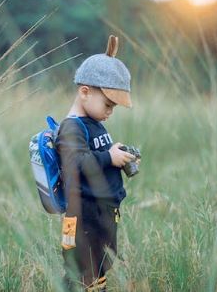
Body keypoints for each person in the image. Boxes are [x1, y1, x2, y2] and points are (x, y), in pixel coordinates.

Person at [55, 35, 139, 291]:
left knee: (99, 263)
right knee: (81, 269)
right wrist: (108, 157)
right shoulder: (71, 127)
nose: (110, 111)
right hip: (84, 215)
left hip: (100, 213)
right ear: (84, 92)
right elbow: (77, 163)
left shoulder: (94, 124)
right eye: (108, 104)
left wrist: (116, 152)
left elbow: (97, 156)